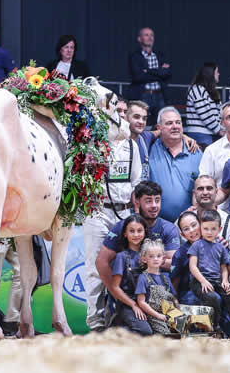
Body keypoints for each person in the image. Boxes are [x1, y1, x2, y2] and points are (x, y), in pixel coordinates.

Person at [83, 106, 142, 331]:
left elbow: (136, 182)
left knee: (126, 266)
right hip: (97, 210)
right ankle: (96, 323)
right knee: (94, 268)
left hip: (124, 211)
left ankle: (122, 319)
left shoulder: (131, 146)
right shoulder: (90, 144)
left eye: (119, 113)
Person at [188, 210, 230, 334]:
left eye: (213, 229)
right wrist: (203, 281)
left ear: (219, 229)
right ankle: (214, 327)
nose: (209, 232)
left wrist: (224, 281)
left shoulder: (221, 248)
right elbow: (193, 267)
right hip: (199, 281)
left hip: (217, 281)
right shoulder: (196, 245)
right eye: (205, 229)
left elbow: (223, 268)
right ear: (200, 228)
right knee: (213, 298)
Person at [146, 107, 202, 223]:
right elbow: (136, 135)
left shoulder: (196, 153)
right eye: (169, 123)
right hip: (155, 223)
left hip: (188, 227)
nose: (175, 126)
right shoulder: (149, 148)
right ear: (159, 128)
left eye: (178, 122)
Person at [107, 214, 151, 335]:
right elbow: (115, 288)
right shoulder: (121, 257)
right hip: (128, 304)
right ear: (125, 234)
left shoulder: (150, 254)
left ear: (145, 232)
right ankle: (114, 332)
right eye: (132, 231)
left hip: (147, 302)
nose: (136, 235)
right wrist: (134, 305)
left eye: (139, 231)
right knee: (145, 331)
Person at [200, 102, 230, 205]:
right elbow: (204, 185)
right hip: (220, 211)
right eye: (229, 117)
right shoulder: (212, 151)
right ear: (222, 123)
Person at [134, 239, 177, 335]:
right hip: (153, 316)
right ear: (144, 259)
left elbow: (173, 298)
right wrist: (157, 315)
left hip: (168, 314)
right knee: (166, 335)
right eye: (151, 256)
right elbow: (141, 302)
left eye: (158, 256)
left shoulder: (165, 278)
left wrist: (177, 310)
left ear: (163, 258)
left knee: (182, 331)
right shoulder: (143, 278)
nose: (155, 259)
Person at [128, 27, 171, 120]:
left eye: (152, 35)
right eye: (146, 35)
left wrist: (148, 71)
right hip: (143, 95)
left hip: (160, 95)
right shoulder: (134, 56)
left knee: (161, 124)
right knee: (140, 123)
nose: (150, 37)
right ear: (139, 39)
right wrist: (159, 72)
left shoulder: (160, 55)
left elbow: (167, 74)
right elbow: (137, 77)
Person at [191, 175, 230, 243]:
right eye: (200, 189)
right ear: (194, 193)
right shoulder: (185, 221)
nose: (205, 192)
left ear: (216, 192)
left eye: (209, 188)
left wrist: (226, 250)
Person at [184, 62, 222, 149]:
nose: (219, 74)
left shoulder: (211, 91)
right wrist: (219, 130)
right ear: (211, 74)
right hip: (200, 135)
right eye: (217, 72)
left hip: (212, 134)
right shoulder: (197, 89)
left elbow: (218, 114)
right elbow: (205, 114)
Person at [172, 210, 202, 306]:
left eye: (194, 225)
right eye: (186, 229)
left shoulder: (215, 243)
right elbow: (175, 280)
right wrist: (174, 298)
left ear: (200, 223)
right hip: (190, 293)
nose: (192, 230)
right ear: (182, 235)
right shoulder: (180, 254)